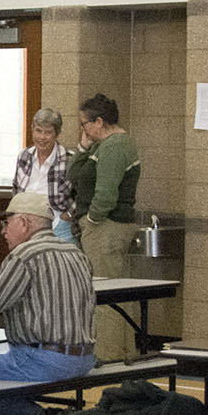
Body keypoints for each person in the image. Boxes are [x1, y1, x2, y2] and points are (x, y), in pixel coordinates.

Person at [0, 192, 97, 415]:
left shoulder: (24, 256)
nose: (3, 231)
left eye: (7, 223)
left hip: (43, 359)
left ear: (25, 223)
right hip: (85, 358)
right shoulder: (75, 253)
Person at [70, 92, 141, 363]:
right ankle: (123, 352)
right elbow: (73, 175)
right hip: (105, 227)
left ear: (99, 121)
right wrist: (84, 146)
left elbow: (106, 195)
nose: (84, 129)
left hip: (106, 227)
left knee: (105, 294)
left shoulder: (114, 147)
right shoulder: (103, 146)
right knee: (116, 290)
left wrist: (91, 221)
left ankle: (109, 356)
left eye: (85, 124)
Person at [12, 107, 75, 241]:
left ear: (57, 134)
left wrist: (67, 215)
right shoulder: (24, 155)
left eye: (48, 132)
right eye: (38, 131)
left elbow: (82, 194)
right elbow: (16, 188)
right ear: (32, 130)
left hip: (58, 226)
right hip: (25, 227)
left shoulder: (69, 159)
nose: (42, 137)